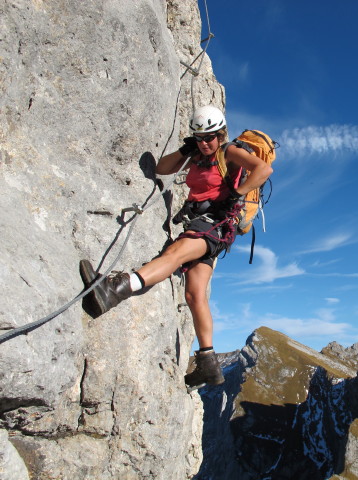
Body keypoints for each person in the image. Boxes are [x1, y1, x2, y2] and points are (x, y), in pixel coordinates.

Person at [81, 105, 273, 389]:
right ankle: (208, 363)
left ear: (220, 134)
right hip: (207, 227)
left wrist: (236, 193)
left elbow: (263, 169)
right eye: (199, 138)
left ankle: (116, 289)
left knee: (174, 254)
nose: (205, 143)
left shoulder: (228, 152)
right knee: (195, 295)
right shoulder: (195, 154)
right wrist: (186, 151)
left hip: (212, 225)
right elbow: (161, 168)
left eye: (210, 137)